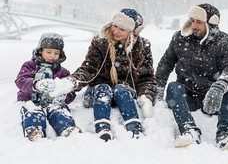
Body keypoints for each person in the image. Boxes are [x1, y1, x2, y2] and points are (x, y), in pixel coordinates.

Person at [49, 8, 156, 141]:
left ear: (132, 32)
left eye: (122, 29)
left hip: (123, 95)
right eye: (115, 26)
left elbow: (147, 77)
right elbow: (89, 68)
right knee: (103, 88)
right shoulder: (100, 42)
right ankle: (102, 128)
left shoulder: (142, 46)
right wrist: (73, 81)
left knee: (121, 88)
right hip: (96, 93)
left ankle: (135, 128)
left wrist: (146, 96)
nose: (115, 31)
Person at [155, 3, 228, 151]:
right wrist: (158, 89)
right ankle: (190, 131)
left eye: (199, 22)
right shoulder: (179, 39)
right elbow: (165, 64)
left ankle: (225, 135)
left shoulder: (226, 42)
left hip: (213, 99)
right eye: (192, 21)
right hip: (187, 97)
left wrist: (219, 87)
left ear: (211, 24)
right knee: (173, 87)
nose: (194, 25)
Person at [15, 33, 81, 141]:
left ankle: (67, 128)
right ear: (40, 51)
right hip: (31, 100)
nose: (52, 56)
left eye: (56, 53)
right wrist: (36, 84)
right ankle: (34, 130)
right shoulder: (29, 66)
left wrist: (65, 96)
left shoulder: (63, 72)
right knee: (33, 111)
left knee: (59, 111)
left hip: (52, 102)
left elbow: (70, 91)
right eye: (48, 52)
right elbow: (20, 81)